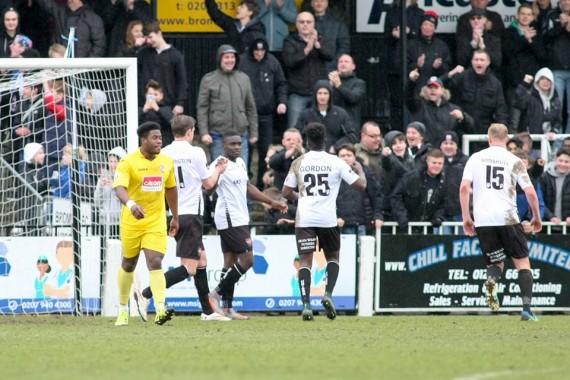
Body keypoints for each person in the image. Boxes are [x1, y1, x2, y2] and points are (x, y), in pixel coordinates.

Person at [132, 115, 230, 321]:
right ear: (190, 131)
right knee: (190, 267)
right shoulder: (196, 152)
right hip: (191, 213)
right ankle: (145, 295)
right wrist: (218, 169)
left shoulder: (164, 152)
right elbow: (208, 183)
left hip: (172, 213)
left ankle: (207, 311)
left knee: (201, 259)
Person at [282, 122, 366, 321]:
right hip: (328, 218)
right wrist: (360, 170)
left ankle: (306, 305)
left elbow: (285, 192)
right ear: (325, 139)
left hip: (305, 218)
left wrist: (301, 196)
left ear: (308, 141)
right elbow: (361, 185)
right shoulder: (336, 162)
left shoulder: (299, 162)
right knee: (333, 257)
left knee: (305, 261)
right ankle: (328, 294)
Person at [460, 123, 542, 321]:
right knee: (522, 263)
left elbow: (464, 188)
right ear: (506, 139)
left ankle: (491, 281)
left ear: (488, 139)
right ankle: (526, 310)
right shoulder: (514, 160)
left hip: (483, 220)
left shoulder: (476, 158)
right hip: (508, 217)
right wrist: (536, 217)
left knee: (496, 262)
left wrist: (466, 217)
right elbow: (530, 191)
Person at [207, 131, 288, 320]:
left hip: (239, 216)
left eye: (238, 144)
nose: (237, 147)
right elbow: (208, 188)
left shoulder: (241, 163)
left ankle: (227, 309)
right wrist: (217, 173)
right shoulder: (219, 164)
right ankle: (215, 294)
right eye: (232, 144)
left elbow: (247, 187)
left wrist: (271, 202)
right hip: (229, 218)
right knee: (248, 260)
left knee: (229, 262)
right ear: (223, 146)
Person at [113, 121, 179, 326]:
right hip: (132, 222)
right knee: (129, 263)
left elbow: (171, 189)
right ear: (143, 140)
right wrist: (132, 205)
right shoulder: (128, 162)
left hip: (156, 221)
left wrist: (175, 217)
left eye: (160, 138)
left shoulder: (166, 162)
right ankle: (123, 309)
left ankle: (160, 309)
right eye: (155, 138)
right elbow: (119, 189)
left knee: (155, 261)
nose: (159, 141)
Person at [238, 37, 287, 189]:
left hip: (266, 114)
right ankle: (245, 181)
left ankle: (261, 183)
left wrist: (282, 101)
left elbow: (281, 83)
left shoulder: (272, 62)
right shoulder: (243, 62)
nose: (259, 53)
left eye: (262, 51)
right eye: (256, 51)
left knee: (265, 149)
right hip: (246, 114)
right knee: (246, 149)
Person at [197, 44, 258, 166]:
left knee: (241, 172)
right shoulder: (208, 79)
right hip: (218, 136)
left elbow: (251, 107)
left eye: (232, 57)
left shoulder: (244, 78)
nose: (230, 60)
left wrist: (254, 132)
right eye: (226, 57)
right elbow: (202, 108)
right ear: (220, 59)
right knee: (219, 174)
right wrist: (204, 133)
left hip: (241, 136)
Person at [282, 11, 334, 129]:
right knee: (294, 128)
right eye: (302, 22)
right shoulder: (290, 40)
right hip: (297, 93)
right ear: (296, 25)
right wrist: (307, 49)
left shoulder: (321, 38)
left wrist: (317, 45)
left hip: (318, 93)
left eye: (308, 22)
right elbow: (289, 62)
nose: (305, 24)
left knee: (320, 128)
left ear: (313, 24)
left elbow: (331, 55)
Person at [406, 72, 474, 147]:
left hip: (446, 151)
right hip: (426, 151)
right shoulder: (419, 106)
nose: (432, 90)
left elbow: (470, 126)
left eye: (436, 88)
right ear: (426, 90)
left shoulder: (452, 109)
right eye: (430, 88)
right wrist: (411, 82)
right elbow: (408, 96)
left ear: (442, 90)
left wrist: (463, 118)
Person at [295, 79, 358, 154]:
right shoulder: (306, 114)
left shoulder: (340, 113)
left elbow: (352, 135)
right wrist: (304, 149)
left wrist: (336, 146)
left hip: (334, 155)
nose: (322, 96)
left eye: (325, 93)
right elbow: (297, 134)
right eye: (319, 93)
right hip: (311, 156)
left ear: (330, 95)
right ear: (315, 95)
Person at [137, 20, 187, 116]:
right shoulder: (143, 53)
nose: (148, 41)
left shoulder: (175, 55)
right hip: (146, 105)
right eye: (146, 38)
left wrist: (180, 103)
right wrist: (136, 46)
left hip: (167, 105)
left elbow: (182, 81)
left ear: (159, 33)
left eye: (150, 37)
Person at [391, 148, 446, 234]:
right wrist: (402, 217)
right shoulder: (412, 177)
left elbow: (444, 203)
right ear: (427, 162)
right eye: (434, 163)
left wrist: (438, 217)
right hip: (405, 227)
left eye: (440, 163)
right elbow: (396, 196)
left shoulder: (444, 181)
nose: (437, 166)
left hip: (427, 229)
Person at [35, 0, 106, 57]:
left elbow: (99, 45)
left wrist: (86, 65)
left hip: (83, 70)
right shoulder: (60, 12)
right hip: (60, 67)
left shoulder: (93, 18)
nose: (69, 0)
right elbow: (45, 2)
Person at [407, 11, 452, 88]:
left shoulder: (442, 46)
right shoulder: (410, 45)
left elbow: (448, 69)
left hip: (435, 89)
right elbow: (401, 67)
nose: (428, 28)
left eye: (431, 25)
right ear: (420, 26)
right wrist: (417, 65)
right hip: (415, 89)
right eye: (425, 24)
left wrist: (439, 67)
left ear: (435, 29)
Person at [94, 146, 127, 238]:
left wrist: (115, 187)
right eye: (110, 161)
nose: (112, 165)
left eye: (115, 162)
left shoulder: (126, 178)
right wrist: (100, 186)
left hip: (121, 223)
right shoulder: (103, 177)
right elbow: (97, 202)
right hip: (105, 222)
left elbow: (128, 202)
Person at [308, 0, 350, 71]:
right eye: (316, 1)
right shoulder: (305, 23)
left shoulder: (338, 24)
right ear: (312, 3)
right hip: (311, 69)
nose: (319, 3)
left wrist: (334, 63)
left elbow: (344, 46)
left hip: (333, 68)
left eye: (322, 1)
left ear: (327, 3)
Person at [329, 53, 367, 128]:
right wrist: (329, 86)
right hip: (332, 123)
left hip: (349, 124)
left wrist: (339, 85)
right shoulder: (331, 81)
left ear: (353, 66)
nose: (343, 63)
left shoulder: (359, 83)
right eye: (340, 61)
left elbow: (353, 98)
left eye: (346, 62)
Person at [539, 147, 570, 228]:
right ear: (556, 160)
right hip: (547, 225)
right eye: (560, 160)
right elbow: (539, 200)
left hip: (567, 226)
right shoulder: (545, 177)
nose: (563, 164)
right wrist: (551, 217)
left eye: (566, 161)